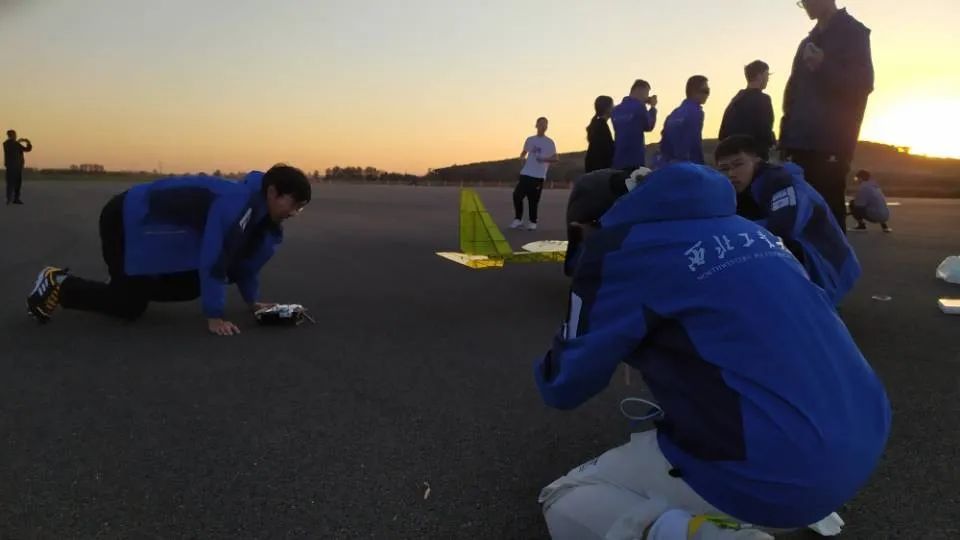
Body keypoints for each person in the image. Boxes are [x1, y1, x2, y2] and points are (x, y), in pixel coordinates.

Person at [534, 163, 891, 540]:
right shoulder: (752, 230)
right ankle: (792, 510)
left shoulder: (618, 247)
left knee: (565, 499)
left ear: (585, 227)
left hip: (775, 472)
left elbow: (563, 386)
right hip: (862, 439)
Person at [26, 165, 312, 336]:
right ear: (273, 192)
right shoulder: (237, 203)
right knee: (128, 306)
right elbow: (217, 256)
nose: (295, 213)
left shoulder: (259, 216)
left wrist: (253, 302)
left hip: (147, 229)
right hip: (125, 216)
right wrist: (214, 316)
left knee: (189, 285)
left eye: (300, 208)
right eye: (294, 204)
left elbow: (243, 261)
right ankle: (58, 283)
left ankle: (127, 285)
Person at [715, 135, 860, 305]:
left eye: (738, 164)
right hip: (811, 262)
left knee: (757, 244)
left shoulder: (781, 183)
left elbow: (783, 230)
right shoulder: (741, 190)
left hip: (829, 267)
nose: (731, 174)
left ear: (757, 160)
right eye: (724, 169)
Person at [780, 0, 874, 232]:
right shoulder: (807, 42)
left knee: (828, 217)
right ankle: (805, 268)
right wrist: (785, 138)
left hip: (830, 143)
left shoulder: (853, 32)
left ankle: (835, 269)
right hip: (798, 143)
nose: (805, 6)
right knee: (800, 219)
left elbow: (863, 84)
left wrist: (824, 64)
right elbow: (792, 94)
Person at [563, 167, 650, 276]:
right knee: (578, 232)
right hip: (589, 189)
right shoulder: (598, 197)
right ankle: (574, 269)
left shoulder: (646, 181)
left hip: (604, 184)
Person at [718, 61, 776, 160]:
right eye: (767, 75)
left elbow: (722, 133)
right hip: (755, 158)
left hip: (734, 158)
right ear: (759, 76)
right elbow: (765, 130)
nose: (768, 79)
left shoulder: (735, 100)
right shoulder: (763, 100)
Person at [512, 117, 558, 231]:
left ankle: (533, 221)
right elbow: (524, 153)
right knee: (517, 196)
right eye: (540, 124)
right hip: (526, 173)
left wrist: (544, 159)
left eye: (545, 124)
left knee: (533, 200)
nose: (542, 126)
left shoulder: (549, 142)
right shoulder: (530, 139)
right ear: (536, 125)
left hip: (538, 175)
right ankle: (518, 219)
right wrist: (522, 158)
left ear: (547, 127)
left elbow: (556, 158)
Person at [657, 76, 710, 166]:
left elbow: (664, 144)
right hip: (688, 165)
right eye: (705, 91)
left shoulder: (673, 114)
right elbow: (694, 142)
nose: (708, 95)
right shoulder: (696, 112)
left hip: (669, 165)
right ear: (694, 92)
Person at [611, 80, 658, 170]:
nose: (647, 96)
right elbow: (649, 126)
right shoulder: (639, 107)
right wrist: (653, 108)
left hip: (618, 159)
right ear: (640, 90)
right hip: (635, 159)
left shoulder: (616, 110)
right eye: (647, 93)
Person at [585, 96, 615, 173]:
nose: (614, 108)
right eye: (612, 106)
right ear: (607, 109)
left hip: (593, 167)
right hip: (600, 168)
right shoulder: (602, 126)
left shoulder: (597, 124)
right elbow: (607, 149)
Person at [3, 129, 33, 205]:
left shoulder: (8, 144)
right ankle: (11, 199)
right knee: (12, 183)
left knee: (15, 183)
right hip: (13, 167)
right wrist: (25, 142)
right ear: (12, 135)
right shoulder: (10, 144)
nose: (16, 136)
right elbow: (26, 149)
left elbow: (27, 149)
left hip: (14, 166)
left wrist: (25, 143)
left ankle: (14, 199)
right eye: (14, 135)